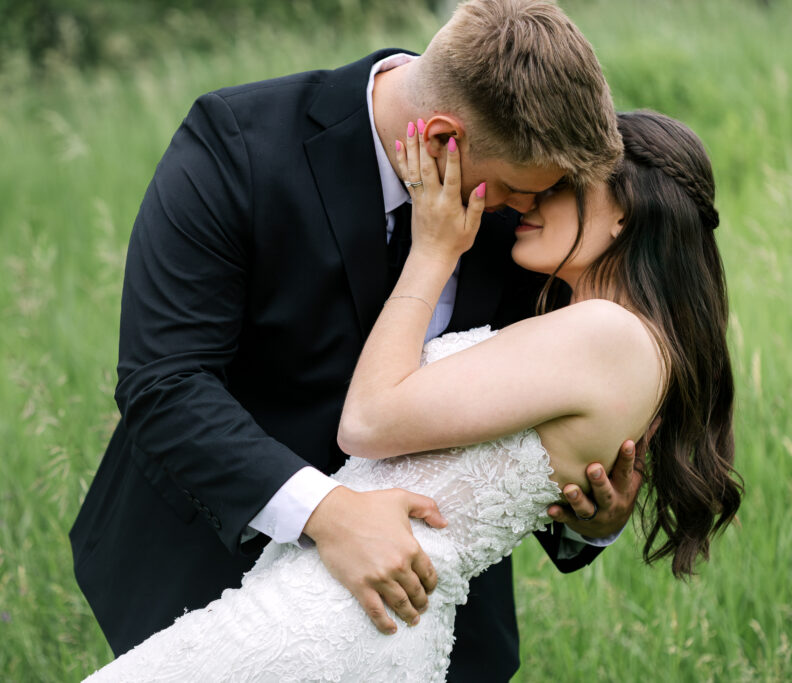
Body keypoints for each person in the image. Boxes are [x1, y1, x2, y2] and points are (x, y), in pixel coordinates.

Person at [71, 1, 639, 679]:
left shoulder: (526, 215)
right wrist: (329, 513)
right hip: (214, 580)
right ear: (441, 142)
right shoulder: (236, 149)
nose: (528, 210)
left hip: (425, 608)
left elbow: (526, 405)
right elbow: (163, 385)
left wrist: (586, 519)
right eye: (515, 192)